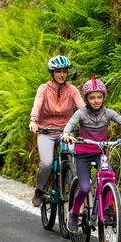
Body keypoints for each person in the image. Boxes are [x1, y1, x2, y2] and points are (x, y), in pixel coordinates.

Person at [61, 75, 121, 233]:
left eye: (99, 97)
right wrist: (67, 134)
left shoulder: (109, 113)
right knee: (84, 188)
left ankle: (107, 209)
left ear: (104, 97)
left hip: (100, 153)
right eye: (92, 98)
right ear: (87, 99)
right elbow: (70, 124)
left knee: (109, 175)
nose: (96, 100)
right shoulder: (81, 113)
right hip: (83, 154)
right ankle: (73, 213)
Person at [28, 55, 85, 207]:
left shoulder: (72, 90)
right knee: (46, 163)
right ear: (52, 73)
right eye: (58, 71)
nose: (62, 75)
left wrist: (91, 123)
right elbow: (37, 105)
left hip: (66, 132)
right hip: (46, 132)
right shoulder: (44, 89)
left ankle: (70, 184)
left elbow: (83, 109)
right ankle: (39, 190)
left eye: (65, 71)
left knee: (73, 156)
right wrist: (33, 120)